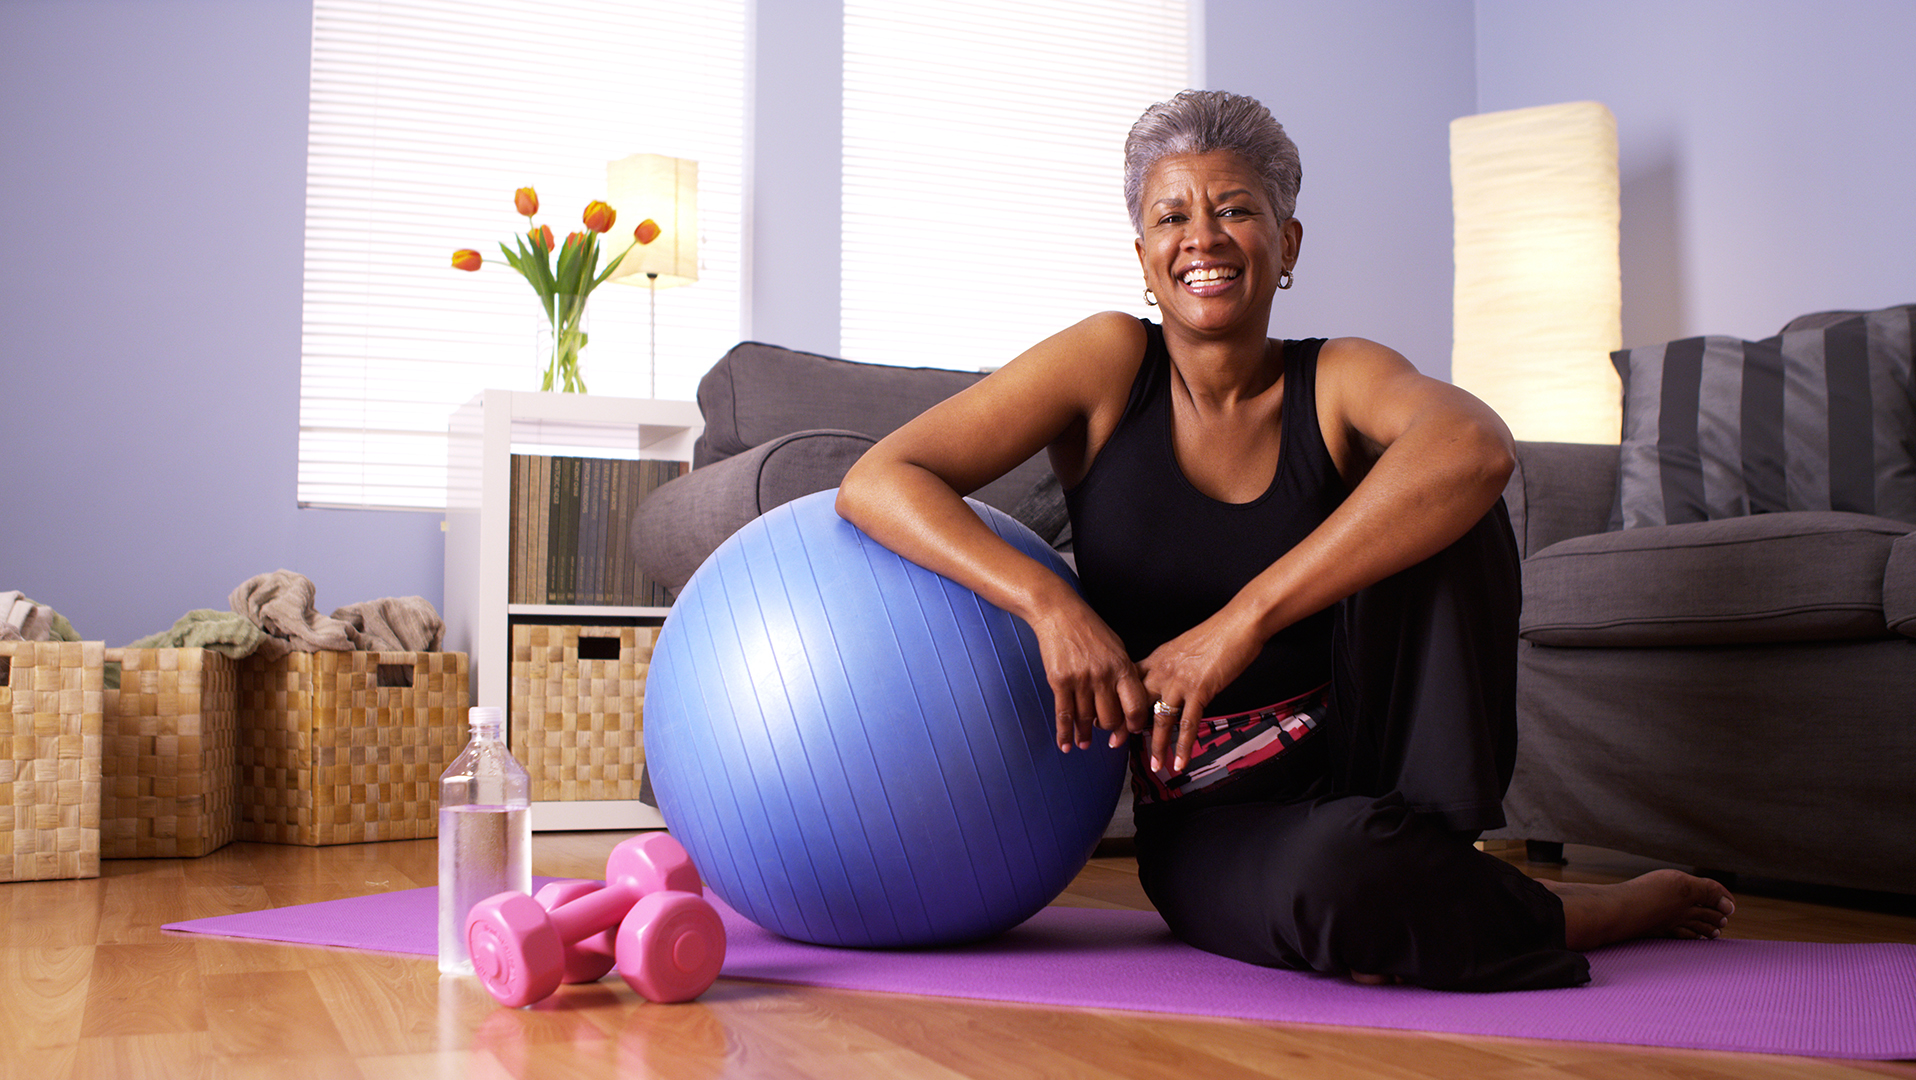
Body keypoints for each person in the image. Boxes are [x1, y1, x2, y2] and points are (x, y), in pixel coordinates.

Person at [836, 89, 1734, 991]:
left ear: (1287, 244)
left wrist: (1244, 620)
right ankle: (1580, 909)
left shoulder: (1339, 376)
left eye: (1235, 209)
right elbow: (881, 479)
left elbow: (1477, 448)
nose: (1204, 238)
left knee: (1445, 489)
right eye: (1172, 217)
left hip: (1372, 761)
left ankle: (1445, 850)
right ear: (1144, 259)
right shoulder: (1107, 364)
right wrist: (1049, 602)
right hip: (1213, 814)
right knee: (1340, 882)